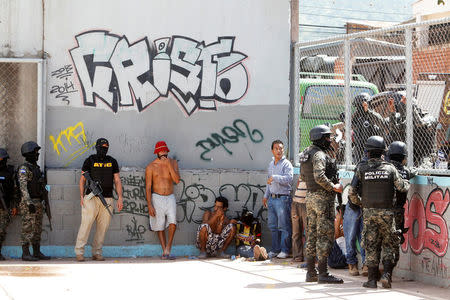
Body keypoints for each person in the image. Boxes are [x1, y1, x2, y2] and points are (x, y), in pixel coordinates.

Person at [349, 136, 410, 289]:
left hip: (369, 213)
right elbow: (402, 187)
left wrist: (362, 204)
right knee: (389, 244)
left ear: (368, 153)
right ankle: (386, 276)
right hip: (388, 214)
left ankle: (371, 280)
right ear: (383, 153)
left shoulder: (362, 168)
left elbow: (351, 192)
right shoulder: (390, 168)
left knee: (371, 245)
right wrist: (408, 180)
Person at [299, 125, 344, 284]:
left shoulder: (306, 153)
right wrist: (334, 187)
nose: (329, 140)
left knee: (311, 235)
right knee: (325, 235)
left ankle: (311, 272)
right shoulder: (318, 154)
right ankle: (323, 273)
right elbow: (319, 176)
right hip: (322, 198)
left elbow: (304, 176)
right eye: (327, 137)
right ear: (320, 138)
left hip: (310, 197)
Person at [75, 138, 123, 262]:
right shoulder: (90, 160)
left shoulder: (112, 161)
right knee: (86, 225)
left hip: (107, 198)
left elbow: (117, 180)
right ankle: (79, 252)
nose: (104, 148)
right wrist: (81, 196)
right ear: (96, 147)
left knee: (103, 227)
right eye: (102, 146)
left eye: (106, 146)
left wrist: (120, 198)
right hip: (91, 197)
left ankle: (97, 252)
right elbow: (83, 179)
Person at [145, 141, 180, 259]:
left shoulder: (173, 163)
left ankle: (168, 247)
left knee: (173, 222)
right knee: (159, 225)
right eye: (161, 151)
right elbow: (148, 187)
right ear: (157, 152)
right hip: (157, 197)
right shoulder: (151, 166)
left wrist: (169, 165)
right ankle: (165, 251)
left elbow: (176, 180)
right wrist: (150, 205)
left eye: (165, 150)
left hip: (170, 196)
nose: (164, 153)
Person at [17, 141, 50, 261]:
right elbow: (23, 187)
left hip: (38, 202)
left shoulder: (37, 169)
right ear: (29, 153)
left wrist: (45, 197)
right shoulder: (24, 169)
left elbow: (44, 186)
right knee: (27, 229)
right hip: (29, 204)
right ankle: (25, 253)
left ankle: (36, 252)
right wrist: (28, 202)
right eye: (35, 152)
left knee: (37, 229)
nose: (37, 154)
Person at [262, 140, 293, 259]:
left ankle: (285, 250)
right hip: (272, 198)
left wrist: (275, 177)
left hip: (283, 198)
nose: (279, 151)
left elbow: (289, 179)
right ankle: (275, 250)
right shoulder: (271, 164)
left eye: (281, 148)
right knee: (273, 226)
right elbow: (268, 182)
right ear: (272, 150)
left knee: (284, 226)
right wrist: (266, 196)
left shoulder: (286, 164)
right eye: (276, 148)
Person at [387, 141, 416, 267]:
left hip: (382, 208)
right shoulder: (405, 172)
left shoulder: (385, 168)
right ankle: (388, 272)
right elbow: (411, 173)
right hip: (397, 211)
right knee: (395, 239)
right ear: (403, 158)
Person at [344, 157, 367, 276]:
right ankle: (352, 263)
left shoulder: (380, 166)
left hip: (366, 206)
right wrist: (360, 203)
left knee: (365, 236)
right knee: (351, 236)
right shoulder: (362, 166)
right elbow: (352, 192)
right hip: (354, 206)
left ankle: (365, 264)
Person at [351, 93, 390, 163]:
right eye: (357, 106)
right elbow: (352, 125)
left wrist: (368, 111)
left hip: (372, 149)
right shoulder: (357, 116)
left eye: (359, 106)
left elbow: (382, 123)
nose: (358, 109)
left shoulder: (373, 115)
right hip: (359, 147)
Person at [0, 148, 18, 260]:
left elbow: (14, 190)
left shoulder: (10, 171)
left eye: (3, 158)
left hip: (4, 206)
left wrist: (15, 206)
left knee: (1, 231)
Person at [291, 179, 307, 262]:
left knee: (309, 232)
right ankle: (298, 256)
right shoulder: (302, 170)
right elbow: (298, 183)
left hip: (306, 204)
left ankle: (309, 257)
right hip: (296, 203)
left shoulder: (315, 169)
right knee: (296, 232)